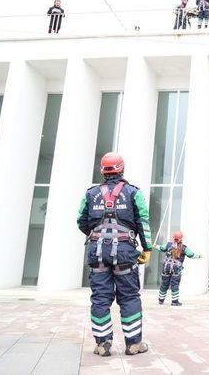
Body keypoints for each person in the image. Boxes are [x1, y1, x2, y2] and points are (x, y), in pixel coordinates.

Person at [77, 152, 153, 357]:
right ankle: (134, 344)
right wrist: (147, 248)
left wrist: (97, 235)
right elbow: (143, 222)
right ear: (122, 169)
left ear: (103, 171)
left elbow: (81, 221)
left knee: (100, 298)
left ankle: (102, 344)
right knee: (129, 297)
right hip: (125, 252)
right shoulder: (133, 193)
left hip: (97, 252)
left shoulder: (90, 194)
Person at [154, 230, 201, 306]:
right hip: (176, 269)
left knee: (164, 284)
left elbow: (161, 248)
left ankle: (161, 300)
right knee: (175, 285)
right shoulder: (184, 248)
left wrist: (155, 246)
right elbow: (191, 254)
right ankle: (174, 302)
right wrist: (199, 256)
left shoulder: (168, 245)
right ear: (181, 238)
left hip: (166, 268)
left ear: (173, 238)